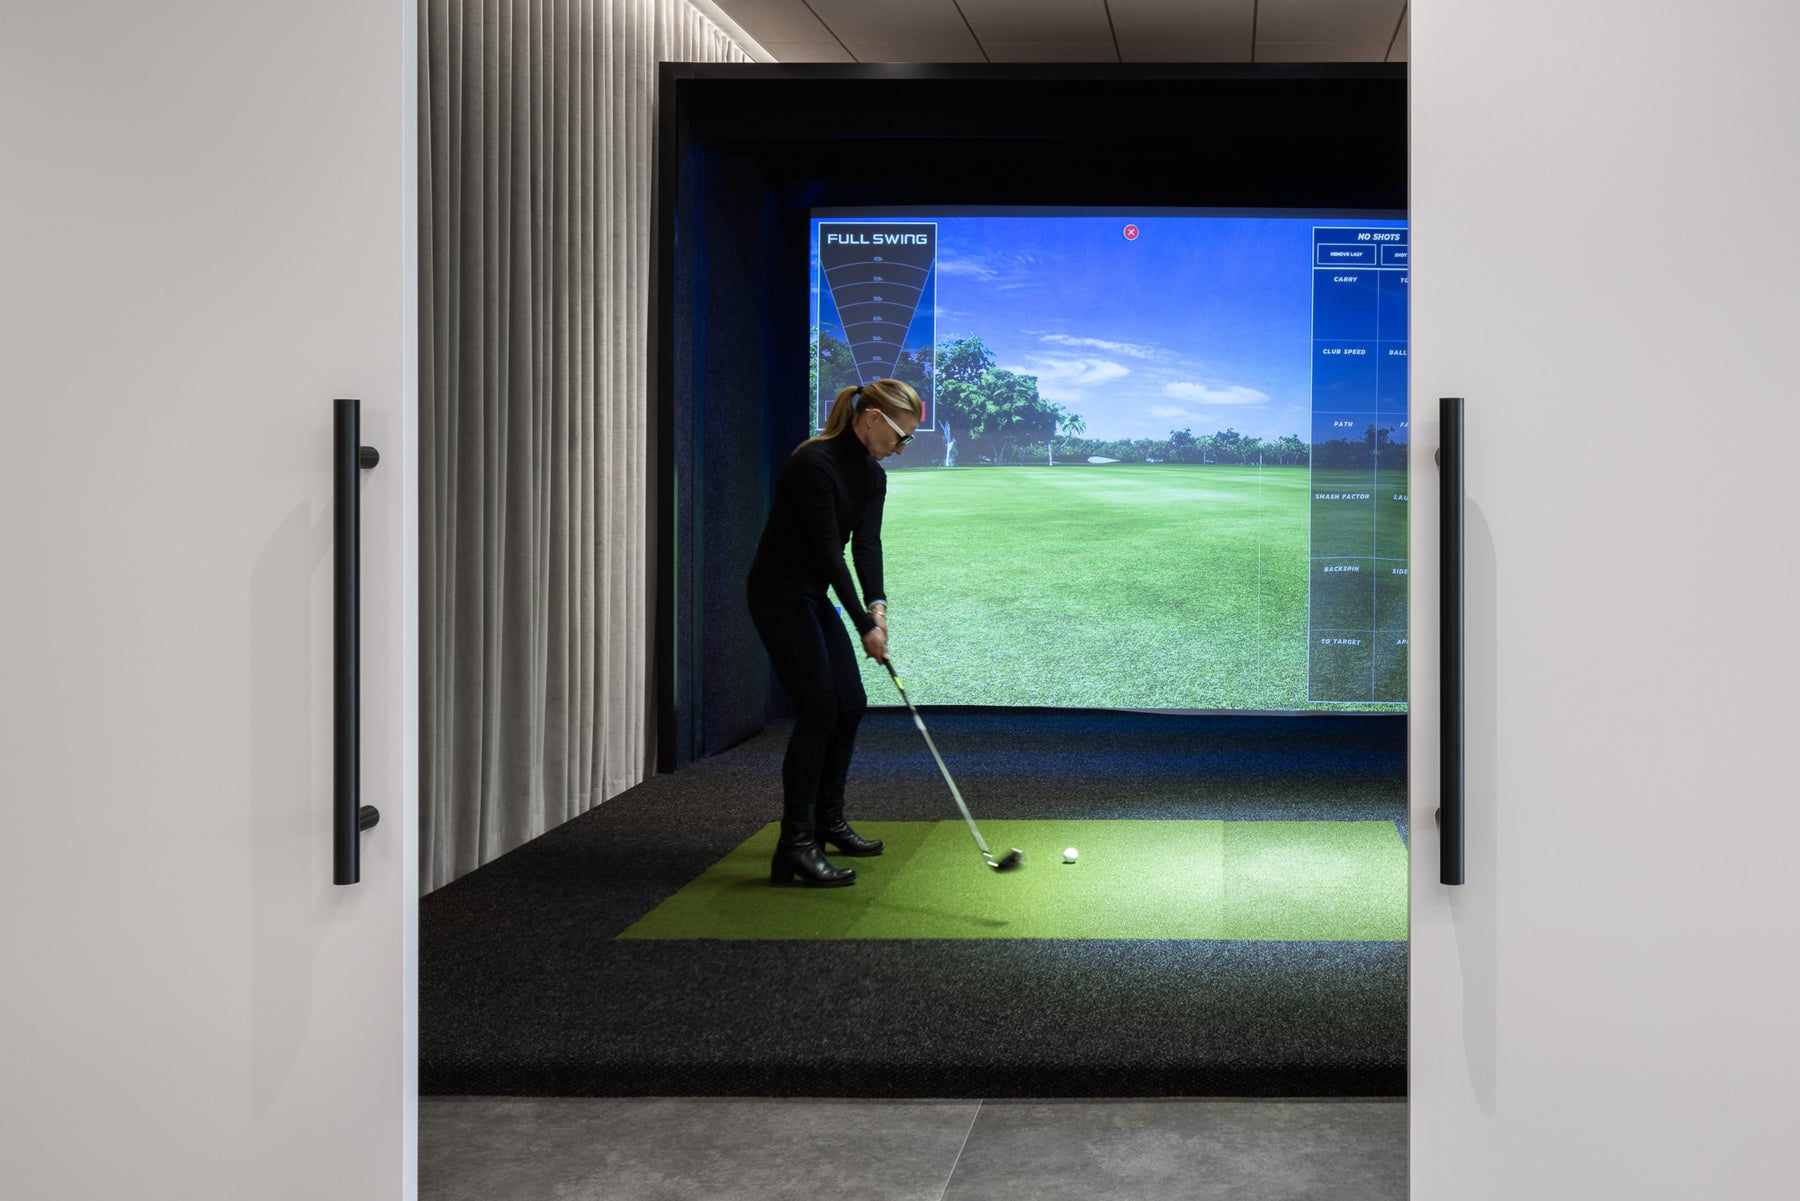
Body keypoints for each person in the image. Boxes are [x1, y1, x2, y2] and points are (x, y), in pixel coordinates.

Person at [746, 377, 922, 887]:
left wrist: (878, 608)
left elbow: (866, 546)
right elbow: (829, 551)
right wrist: (864, 626)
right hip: (778, 594)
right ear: (871, 419)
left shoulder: (872, 475)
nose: (901, 447)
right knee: (820, 707)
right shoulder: (813, 463)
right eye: (899, 436)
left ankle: (828, 821)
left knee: (850, 702)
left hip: (812, 596)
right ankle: (795, 847)